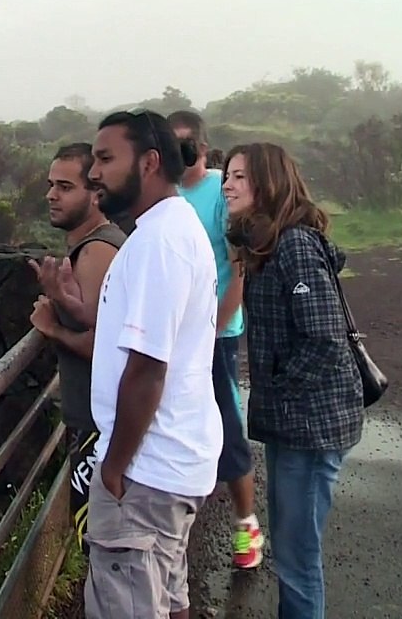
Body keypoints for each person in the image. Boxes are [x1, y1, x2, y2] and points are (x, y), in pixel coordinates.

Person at [40, 109, 223, 619]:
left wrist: (114, 467)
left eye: (104, 159)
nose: (94, 173)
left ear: (149, 162)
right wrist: (73, 309)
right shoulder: (173, 228)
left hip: (146, 472)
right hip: (171, 463)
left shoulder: (156, 244)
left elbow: (147, 368)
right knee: (167, 598)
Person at [222, 143, 363, 619]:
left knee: (298, 558)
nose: (228, 184)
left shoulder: (294, 244)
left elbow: (324, 339)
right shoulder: (263, 244)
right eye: (227, 175)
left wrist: (278, 392)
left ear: (268, 182)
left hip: (311, 424)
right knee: (289, 550)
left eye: (239, 176)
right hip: (294, 422)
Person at [168, 110, 263, 570]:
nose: (177, 152)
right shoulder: (163, 193)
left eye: (185, 144)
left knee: (226, 426)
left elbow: (238, 270)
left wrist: (213, 330)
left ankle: (246, 525)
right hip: (174, 334)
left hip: (218, 333)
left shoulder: (218, 191)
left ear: (203, 149)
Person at [26, 142, 125, 549]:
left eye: (65, 186)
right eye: (51, 185)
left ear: (95, 193)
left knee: (100, 548)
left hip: (97, 426)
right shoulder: (99, 244)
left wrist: (53, 328)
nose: (51, 194)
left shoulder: (98, 251)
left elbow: (105, 345)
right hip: (95, 421)